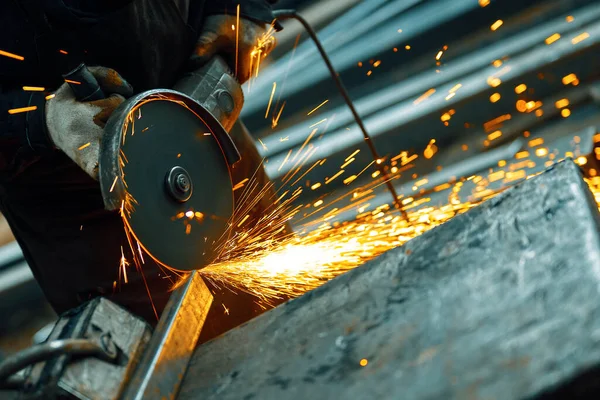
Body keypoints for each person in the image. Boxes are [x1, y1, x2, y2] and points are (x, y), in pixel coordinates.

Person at [0, 0, 282, 332]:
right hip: (83, 202)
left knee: (284, 304)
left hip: (200, 117)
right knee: (179, 361)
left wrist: (239, 6)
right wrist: (40, 119)